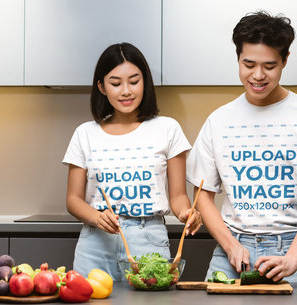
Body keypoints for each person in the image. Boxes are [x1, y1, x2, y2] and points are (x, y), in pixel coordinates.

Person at [186, 11, 297, 283]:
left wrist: (294, 256)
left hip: (294, 254)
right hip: (231, 255)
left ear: (285, 60)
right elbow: (202, 195)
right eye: (248, 64)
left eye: (269, 66)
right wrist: (230, 245)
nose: (258, 75)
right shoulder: (219, 121)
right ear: (237, 58)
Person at [62, 42, 201, 281]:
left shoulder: (168, 128)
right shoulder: (85, 133)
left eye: (134, 81)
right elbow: (73, 200)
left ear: (145, 82)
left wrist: (187, 212)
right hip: (96, 241)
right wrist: (97, 217)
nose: (126, 91)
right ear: (102, 87)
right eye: (115, 83)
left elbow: (178, 196)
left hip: (149, 239)